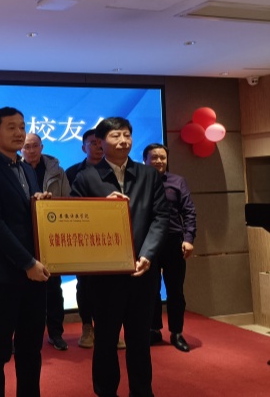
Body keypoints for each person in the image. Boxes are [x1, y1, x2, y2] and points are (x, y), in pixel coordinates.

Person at [70, 117, 169, 397]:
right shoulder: (86, 177)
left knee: (139, 341)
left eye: (127, 135)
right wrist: (102, 207)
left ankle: (142, 391)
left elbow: (160, 217)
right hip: (105, 276)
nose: (123, 141)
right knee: (105, 341)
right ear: (100, 142)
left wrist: (147, 255)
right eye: (116, 136)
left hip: (142, 272)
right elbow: (75, 219)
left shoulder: (148, 175)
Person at [0, 107, 52, 397]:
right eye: (11, 127)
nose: (19, 133)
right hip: (3, 276)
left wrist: (38, 203)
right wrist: (27, 262)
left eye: (22, 126)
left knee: (31, 349)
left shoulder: (27, 168)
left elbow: (21, 214)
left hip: (34, 276)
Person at [143, 143, 197, 353]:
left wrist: (189, 238)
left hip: (174, 241)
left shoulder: (178, 182)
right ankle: (154, 329)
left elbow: (189, 212)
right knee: (151, 289)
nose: (159, 161)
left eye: (162, 157)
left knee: (175, 290)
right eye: (154, 157)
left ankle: (177, 332)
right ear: (145, 160)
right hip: (147, 242)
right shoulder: (138, 182)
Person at [22, 133, 70, 351]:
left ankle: (56, 333)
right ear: (21, 149)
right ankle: (25, 334)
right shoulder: (15, 169)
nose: (31, 150)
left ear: (42, 147)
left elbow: (68, 200)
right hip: (24, 236)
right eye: (27, 147)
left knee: (53, 288)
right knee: (24, 290)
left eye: (35, 146)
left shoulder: (57, 171)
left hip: (51, 235)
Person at [65, 128, 104, 349]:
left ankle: (108, 327)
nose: (98, 146)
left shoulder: (115, 169)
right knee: (85, 284)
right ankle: (87, 326)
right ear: (83, 147)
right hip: (81, 236)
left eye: (101, 142)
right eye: (93, 142)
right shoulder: (72, 173)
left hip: (110, 236)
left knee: (109, 286)